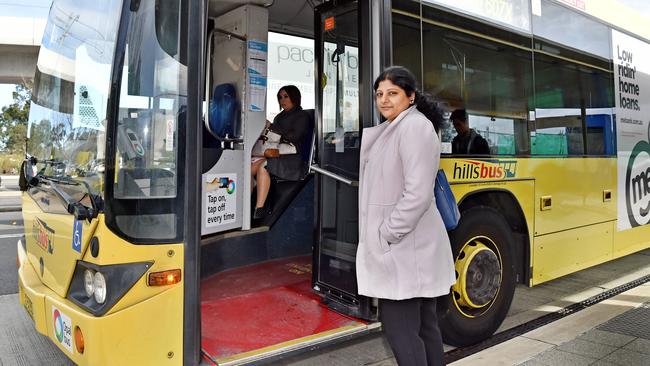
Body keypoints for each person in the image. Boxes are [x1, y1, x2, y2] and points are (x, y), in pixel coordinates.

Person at [357, 66, 456, 366]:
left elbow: (417, 194)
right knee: (424, 328)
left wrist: (387, 234)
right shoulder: (399, 126)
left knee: (401, 332)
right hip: (408, 251)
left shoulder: (413, 127)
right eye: (379, 94)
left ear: (410, 96)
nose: (384, 100)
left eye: (392, 93)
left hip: (403, 251)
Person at [251, 85, 310, 219]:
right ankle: (245, 204)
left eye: (285, 96)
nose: (282, 100)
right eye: (280, 97)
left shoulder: (302, 116)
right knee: (247, 169)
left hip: (293, 158)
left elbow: (294, 137)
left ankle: (259, 208)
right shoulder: (279, 117)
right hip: (277, 153)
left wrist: (272, 127)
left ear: (294, 97)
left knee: (263, 167)